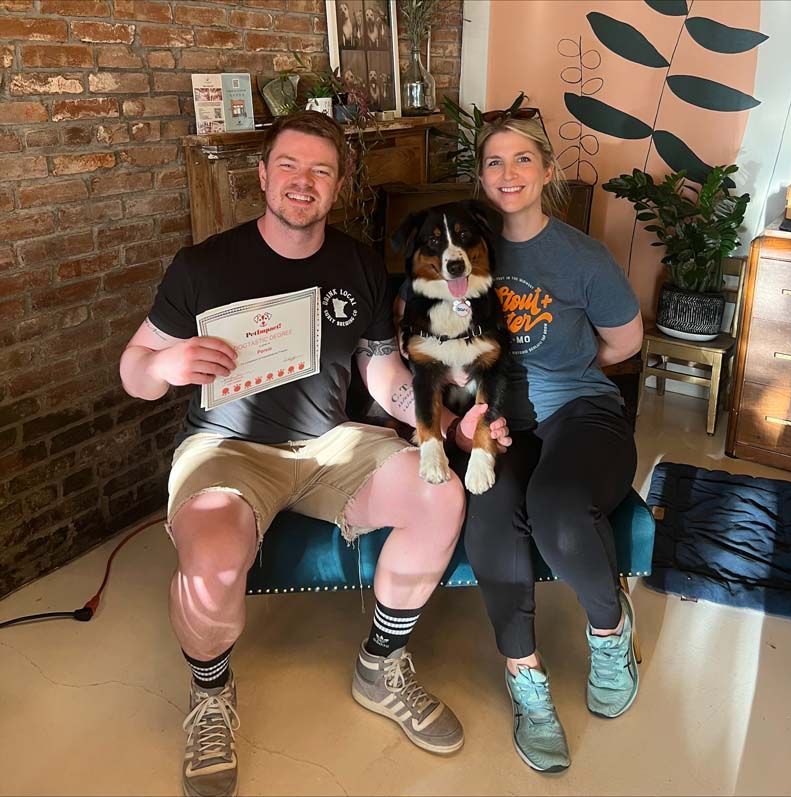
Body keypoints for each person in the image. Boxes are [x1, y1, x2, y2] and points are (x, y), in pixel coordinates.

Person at [119, 111, 510, 797]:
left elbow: (383, 374)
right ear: (264, 175)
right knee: (210, 562)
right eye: (291, 167)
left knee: (440, 490)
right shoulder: (203, 265)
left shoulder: (356, 262)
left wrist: (442, 422)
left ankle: (380, 666)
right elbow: (133, 370)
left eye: (321, 171)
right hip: (228, 446)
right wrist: (169, 361)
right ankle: (211, 694)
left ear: (337, 185)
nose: (304, 183)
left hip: (330, 441)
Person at [398, 112, 644, 773]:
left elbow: (627, 340)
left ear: (546, 170)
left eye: (522, 160)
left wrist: (567, 365)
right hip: (500, 421)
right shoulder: (466, 248)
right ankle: (526, 678)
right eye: (495, 162)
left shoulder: (581, 256)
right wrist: (470, 413)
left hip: (582, 416)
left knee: (559, 505)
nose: (508, 174)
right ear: (481, 177)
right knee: (490, 514)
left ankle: (610, 632)